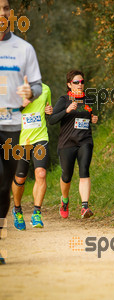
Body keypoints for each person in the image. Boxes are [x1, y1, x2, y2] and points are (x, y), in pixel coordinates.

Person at [0, 0, 42, 264]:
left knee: (4, 186)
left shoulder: (23, 49)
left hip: (12, 126)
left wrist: (31, 92)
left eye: (5, 7)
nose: (1, 13)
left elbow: (36, 85)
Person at [49, 70, 98, 219]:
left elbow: (89, 116)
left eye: (82, 82)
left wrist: (93, 118)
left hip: (85, 140)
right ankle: (65, 200)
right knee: (67, 176)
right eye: (76, 82)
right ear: (69, 84)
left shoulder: (88, 100)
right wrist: (66, 111)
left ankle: (84, 207)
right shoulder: (64, 99)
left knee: (84, 170)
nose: (80, 85)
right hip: (67, 143)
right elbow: (51, 120)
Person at [12, 84, 53, 230]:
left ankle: (37, 213)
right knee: (20, 178)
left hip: (40, 137)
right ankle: (17, 210)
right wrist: (21, 105)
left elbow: (48, 109)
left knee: (41, 173)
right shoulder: (15, 88)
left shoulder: (45, 89)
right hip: (20, 140)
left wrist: (49, 111)